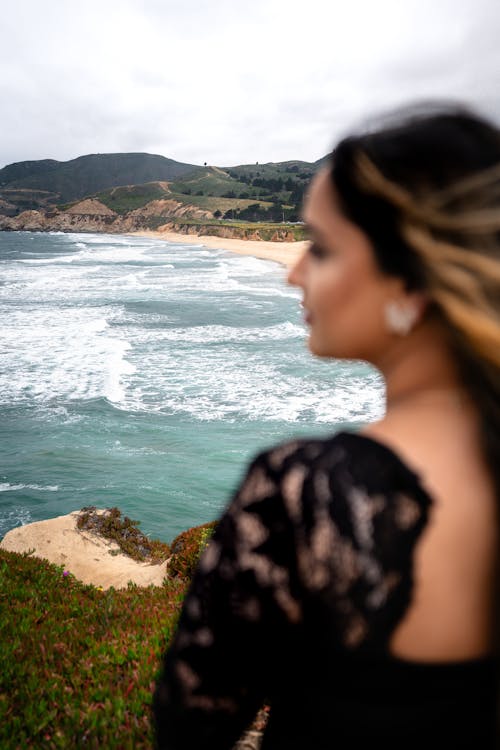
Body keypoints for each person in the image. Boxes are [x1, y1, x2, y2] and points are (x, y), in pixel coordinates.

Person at [153, 102, 500, 749]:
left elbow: (189, 726)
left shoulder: (308, 496)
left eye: (322, 247)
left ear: (413, 279)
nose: (293, 272)